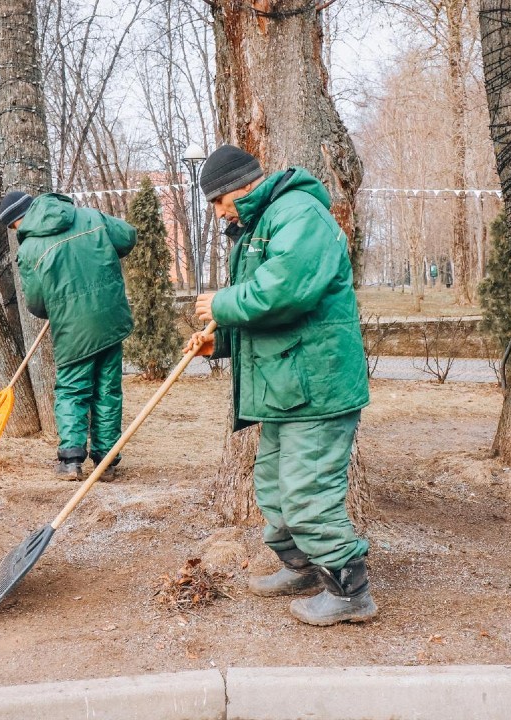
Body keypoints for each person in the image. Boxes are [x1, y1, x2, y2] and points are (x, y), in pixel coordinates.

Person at [184, 145, 375, 626]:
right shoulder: (259, 224)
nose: (217, 211)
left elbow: (286, 290)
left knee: (308, 489)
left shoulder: (298, 213)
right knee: (272, 486)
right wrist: (220, 342)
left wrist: (222, 304)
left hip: (318, 386)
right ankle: (304, 567)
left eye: (217, 200)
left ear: (240, 186)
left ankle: (350, 591)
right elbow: (270, 314)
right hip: (287, 387)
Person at [0, 190, 136, 481]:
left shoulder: (29, 249)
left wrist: (58, 302)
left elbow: (35, 303)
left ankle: (71, 460)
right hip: (111, 318)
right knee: (107, 390)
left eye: (14, 228)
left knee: (72, 390)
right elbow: (127, 237)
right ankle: (107, 462)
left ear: (17, 222)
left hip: (73, 327)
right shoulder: (89, 216)